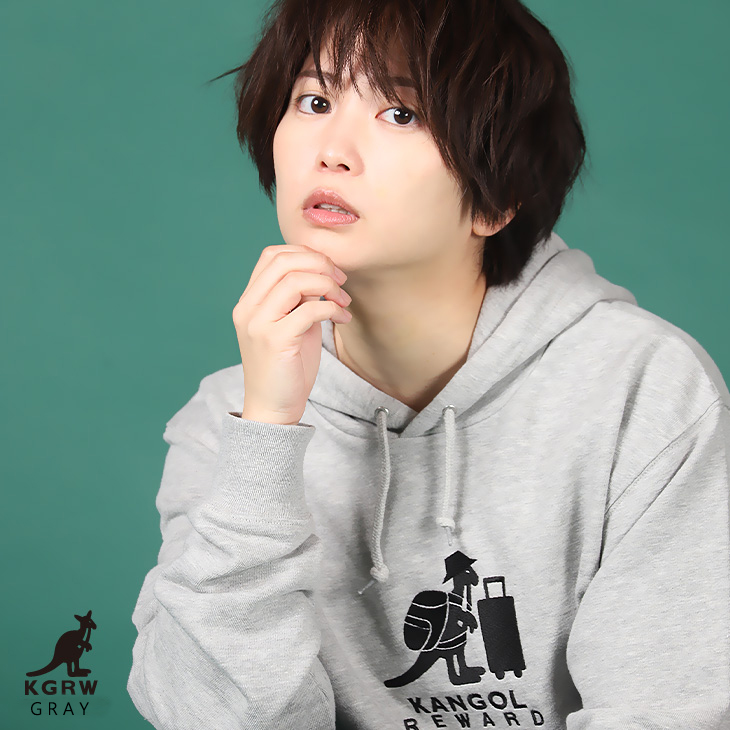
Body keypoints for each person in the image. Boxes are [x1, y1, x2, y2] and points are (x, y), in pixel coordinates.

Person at [127, 0, 730, 728]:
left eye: (401, 114)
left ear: (496, 201)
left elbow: (668, 710)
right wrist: (266, 437)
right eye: (314, 101)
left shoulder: (644, 391)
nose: (333, 150)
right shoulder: (230, 421)